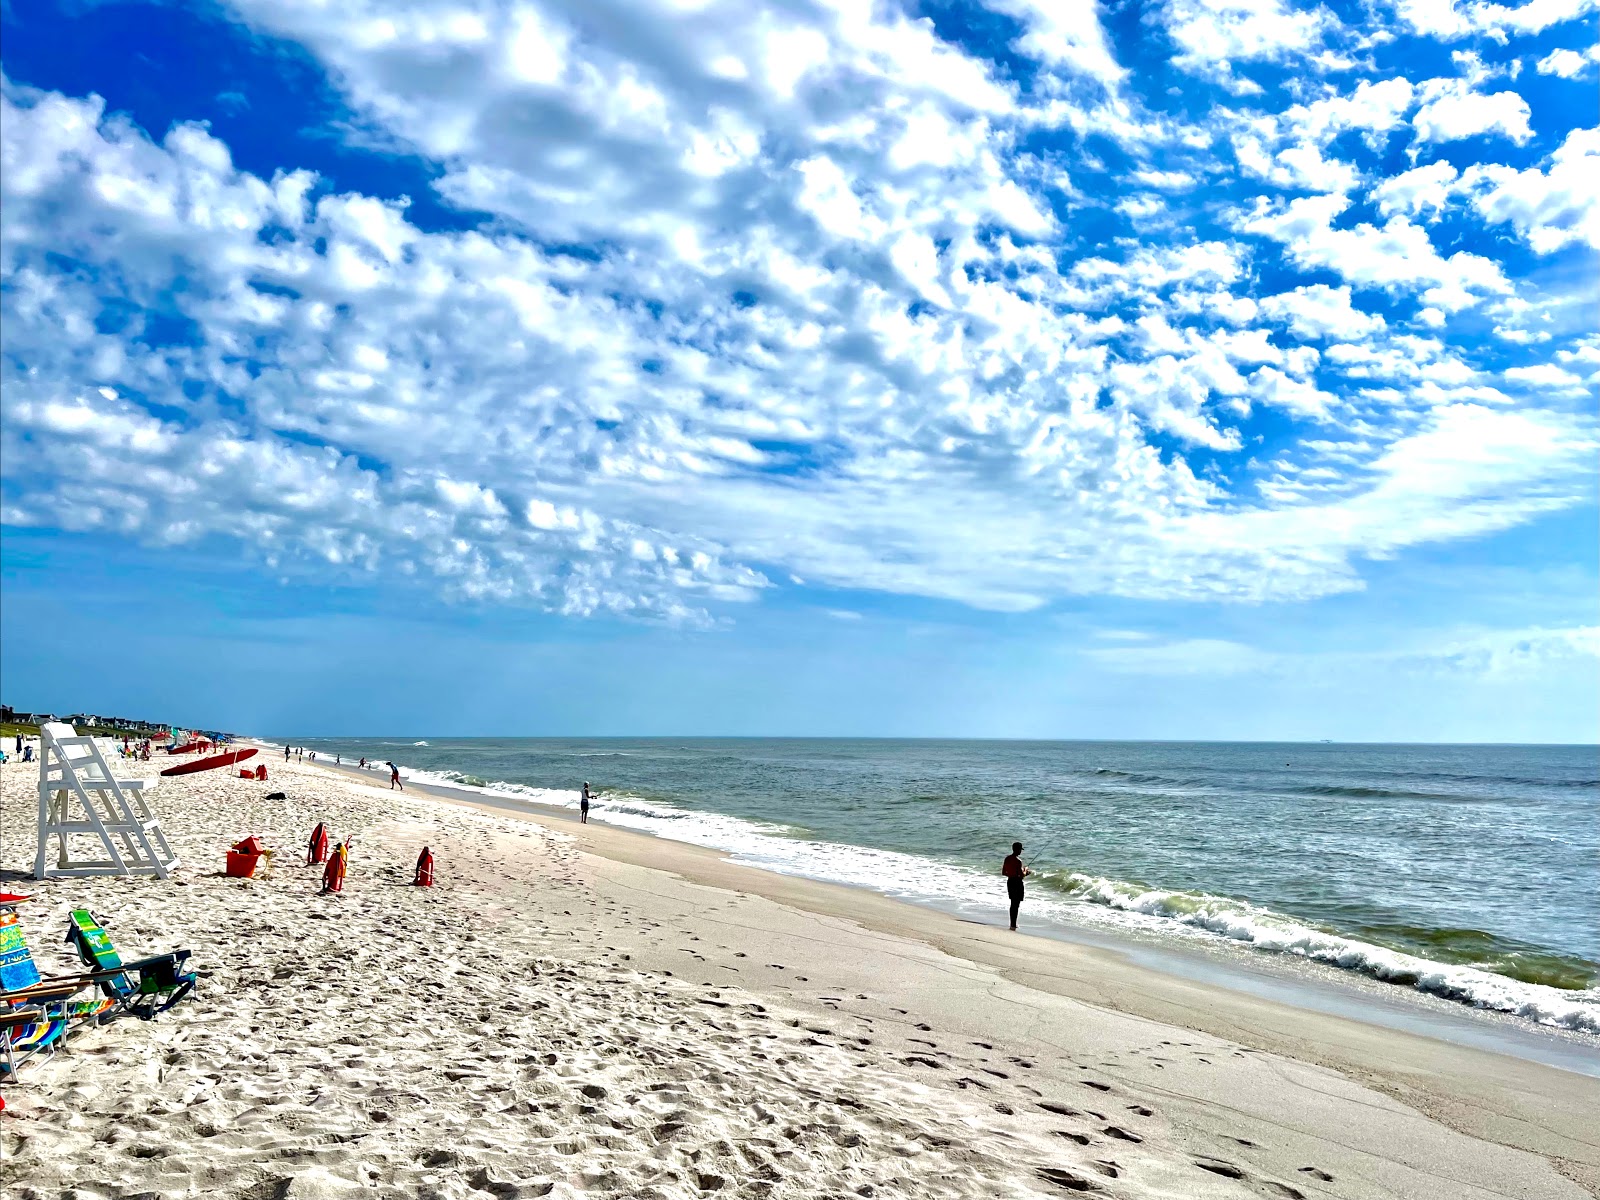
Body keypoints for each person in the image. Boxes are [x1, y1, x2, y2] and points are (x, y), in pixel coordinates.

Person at [1001, 842, 1030, 931]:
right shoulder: (1018, 861)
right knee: (1016, 904)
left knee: (1012, 903)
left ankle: (1012, 923)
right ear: (1017, 850)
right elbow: (1021, 875)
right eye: (1020, 850)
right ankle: (1013, 924)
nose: (1021, 851)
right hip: (1017, 883)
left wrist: (1012, 874)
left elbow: (1003, 872)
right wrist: (1026, 871)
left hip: (1010, 881)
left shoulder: (1007, 859)